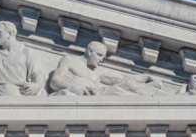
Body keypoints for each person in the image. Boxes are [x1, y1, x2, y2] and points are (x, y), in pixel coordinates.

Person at [49, 41, 180, 96]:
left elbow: (123, 78)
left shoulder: (97, 73)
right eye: (99, 55)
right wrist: (74, 87)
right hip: (85, 94)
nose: (101, 60)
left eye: (103, 57)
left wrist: (146, 77)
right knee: (118, 92)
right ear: (89, 51)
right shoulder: (70, 60)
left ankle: (166, 97)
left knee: (125, 86)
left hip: (100, 92)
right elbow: (55, 81)